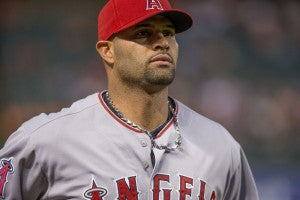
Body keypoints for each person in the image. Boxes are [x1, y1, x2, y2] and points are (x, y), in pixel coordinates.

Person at [0, 0, 259, 199]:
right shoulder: (47, 140)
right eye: (144, 33)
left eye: (168, 33)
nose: (163, 43)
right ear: (108, 51)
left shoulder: (220, 146)